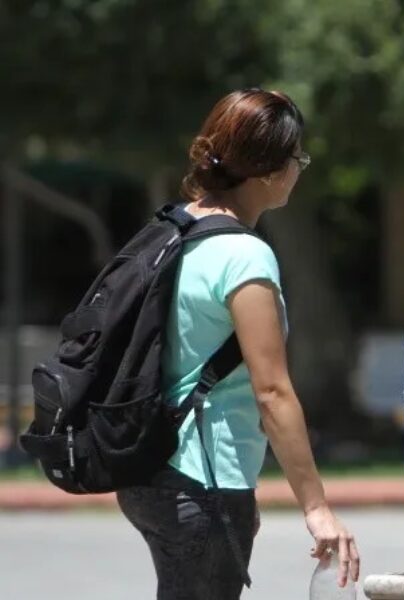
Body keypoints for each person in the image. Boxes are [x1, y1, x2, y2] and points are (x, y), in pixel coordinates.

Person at [116, 88, 361, 599]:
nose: (300, 169)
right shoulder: (244, 257)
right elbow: (272, 392)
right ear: (271, 171)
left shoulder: (174, 231)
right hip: (203, 474)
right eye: (298, 158)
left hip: (149, 468)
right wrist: (316, 508)